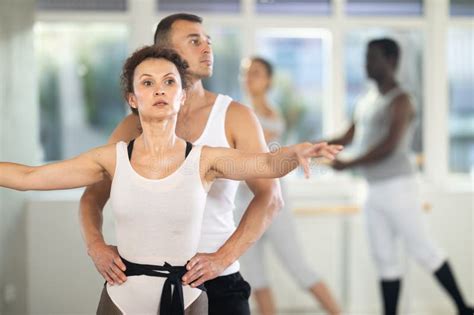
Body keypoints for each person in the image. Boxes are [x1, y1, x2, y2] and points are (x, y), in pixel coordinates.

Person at [0, 46, 342, 314]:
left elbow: (266, 163)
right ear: (133, 99)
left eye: (169, 82)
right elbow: (30, 176)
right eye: (147, 82)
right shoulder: (112, 158)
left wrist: (293, 154)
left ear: (181, 95)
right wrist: (96, 246)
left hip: (188, 297)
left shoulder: (205, 159)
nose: (159, 90)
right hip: (122, 299)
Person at [329, 38, 474, 315]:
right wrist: (313, 148)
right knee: (384, 259)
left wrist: (348, 164)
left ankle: (463, 307)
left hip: (399, 188)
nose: (366, 64)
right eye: (365, 57)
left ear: (392, 61)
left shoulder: (402, 100)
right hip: (372, 190)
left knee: (424, 250)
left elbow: (389, 145)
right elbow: (348, 136)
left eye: (372, 58)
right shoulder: (368, 99)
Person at [235, 56, 341, 315]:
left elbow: (262, 154)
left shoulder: (269, 116)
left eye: (256, 73)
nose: (248, 78)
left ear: (268, 80)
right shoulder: (238, 114)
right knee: (255, 279)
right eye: (245, 73)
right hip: (241, 204)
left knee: (299, 268)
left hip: (273, 203)